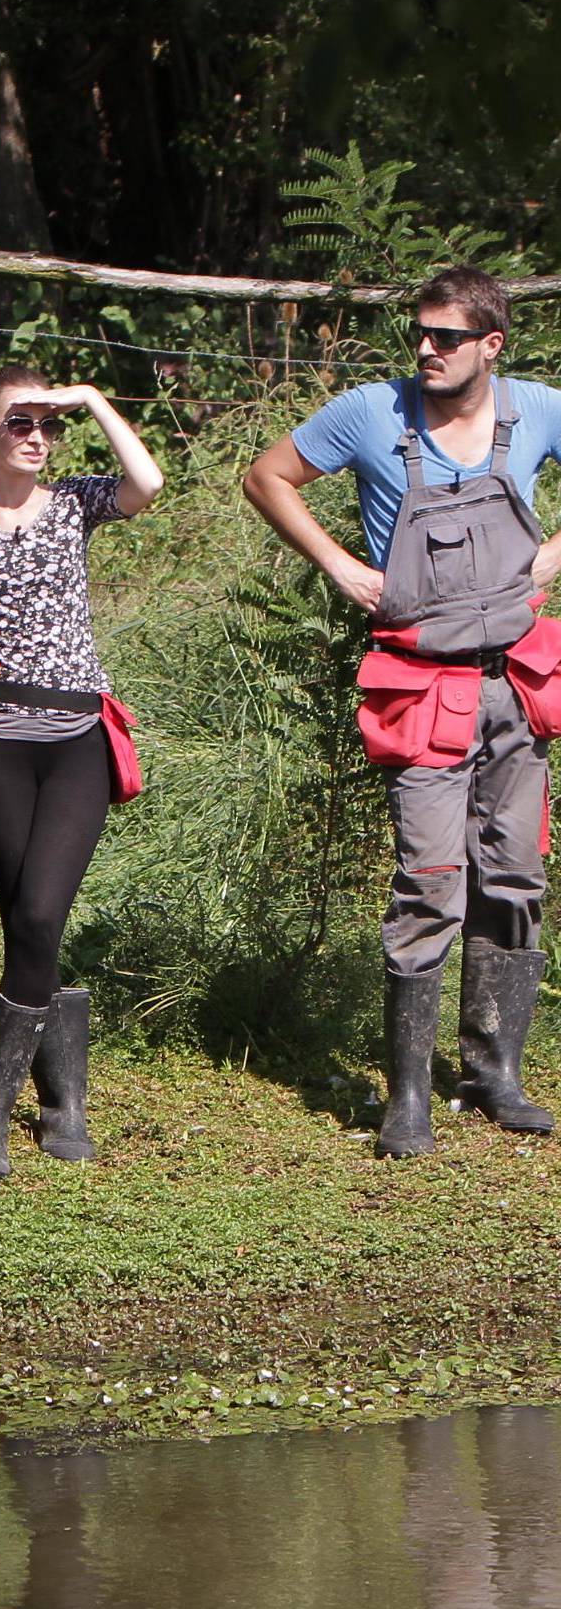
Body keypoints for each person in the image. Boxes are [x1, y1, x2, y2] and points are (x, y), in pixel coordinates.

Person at [245, 265, 561, 1157]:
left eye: (447, 337)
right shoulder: (370, 413)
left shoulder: (536, 408)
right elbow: (267, 476)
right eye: (419, 334)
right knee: (429, 882)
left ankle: (495, 1073)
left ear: (491, 344)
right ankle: (409, 1097)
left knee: (515, 876)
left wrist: (552, 559)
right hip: (421, 684)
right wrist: (341, 567)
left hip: (516, 683)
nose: (425, 349)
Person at [0, 367, 162, 1177]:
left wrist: (89, 401)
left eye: (48, 427)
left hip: (77, 734)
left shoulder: (74, 502)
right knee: (27, 917)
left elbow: (147, 482)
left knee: (43, 908)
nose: (36, 438)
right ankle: (64, 1100)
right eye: (19, 422)